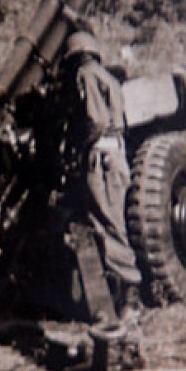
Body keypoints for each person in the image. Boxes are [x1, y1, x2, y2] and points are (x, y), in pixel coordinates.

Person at [60, 31, 142, 320]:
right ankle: (123, 297)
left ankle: (130, 299)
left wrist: (78, 149)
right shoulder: (109, 77)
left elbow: (95, 119)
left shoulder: (85, 75)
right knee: (114, 222)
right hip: (116, 155)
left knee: (107, 225)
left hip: (101, 158)